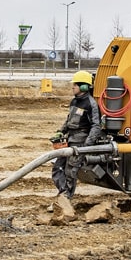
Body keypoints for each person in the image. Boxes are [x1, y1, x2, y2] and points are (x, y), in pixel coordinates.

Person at [49, 70, 100, 219]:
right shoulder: (74, 101)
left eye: (75, 85)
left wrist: (86, 146)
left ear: (84, 87)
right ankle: (62, 195)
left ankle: (65, 202)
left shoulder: (90, 104)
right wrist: (60, 131)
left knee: (70, 172)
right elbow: (68, 119)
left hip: (80, 142)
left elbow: (96, 126)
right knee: (58, 168)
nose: (73, 87)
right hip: (69, 140)